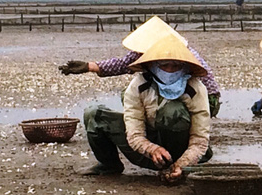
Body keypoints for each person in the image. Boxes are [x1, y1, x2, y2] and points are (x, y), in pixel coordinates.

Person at [80, 34, 211, 183]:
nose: (169, 70)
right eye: (164, 65)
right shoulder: (138, 85)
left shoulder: (195, 88)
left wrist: (183, 164)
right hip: (148, 151)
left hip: (182, 150)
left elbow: (200, 139)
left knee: (171, 110)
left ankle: (174, 167)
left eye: (175, 66)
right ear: (152, 65)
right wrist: (151, 149)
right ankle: (109, 165)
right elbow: (134, 133)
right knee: (94, 115)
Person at [58, 15, 222, 117]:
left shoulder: (178, 52)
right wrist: (89, 66)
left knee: (143, 96)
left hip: (205, 100)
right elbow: (122, 64)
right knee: (134, 93)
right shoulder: (151, 51)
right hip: (194, 98)